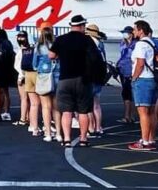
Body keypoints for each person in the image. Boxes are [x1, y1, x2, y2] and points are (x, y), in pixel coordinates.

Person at [49, 14, 95, 147]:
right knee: (83, 111)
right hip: (83, 79)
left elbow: (51, 55)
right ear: (81, 26)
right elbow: (94, 57)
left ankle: (67, 139)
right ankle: (83, 139)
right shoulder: (87, 40)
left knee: (66, 111)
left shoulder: (61, 39)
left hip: (65, 79)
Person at [128, 20, 158, 150]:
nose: (133, 32)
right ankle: (151, 139)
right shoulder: (152, 43)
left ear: (141, 30)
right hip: (152, 79)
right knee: (151, 111)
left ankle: (145, 141)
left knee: (143, 112)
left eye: (135, 29)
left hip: (143, 79)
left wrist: (134, 78)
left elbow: (140, 63)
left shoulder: (140, 45)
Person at [33, 23, 61, 142]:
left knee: (45, 106)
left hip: (44, 76)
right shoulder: (57, 45)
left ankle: (48, 133)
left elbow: (34, 64)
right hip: (57, 75)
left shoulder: (38, 46)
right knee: (56, 107)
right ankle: (59, 134)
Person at [85, 24, 108, 138]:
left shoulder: (88, 44)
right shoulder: (101, 44)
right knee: (97, 105)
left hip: (89, 77)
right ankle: (99, 127)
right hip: (99, 76)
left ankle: (91, 127)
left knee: (88, 105)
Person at [16, 31, 38, 132]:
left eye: (21, 37)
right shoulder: (31, 49)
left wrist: (21, 77)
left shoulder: (23, 51)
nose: (20, 39)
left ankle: (23, 118)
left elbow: (20, 65)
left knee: (25, 99)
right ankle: (29, 118)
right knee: (31, 99)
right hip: (30, 74)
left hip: (24, 75)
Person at [115, 26, 138, 124]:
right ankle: (127, 116)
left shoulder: (136, 44)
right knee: (126, 93)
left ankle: (131, 115)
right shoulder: (123, 43)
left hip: (131, 69)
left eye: (126, 33)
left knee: (131, 93)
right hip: (123, 69)